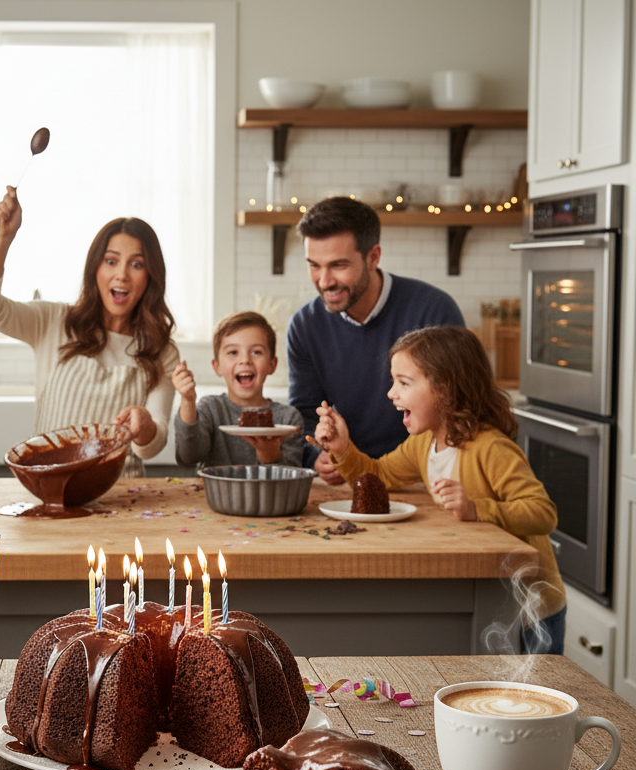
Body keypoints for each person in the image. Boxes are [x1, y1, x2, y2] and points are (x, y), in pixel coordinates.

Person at [313, 325, 566, 655]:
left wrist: (478, 509)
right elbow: (379, 475)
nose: (391, 393)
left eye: (403, 383)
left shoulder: (490, 448)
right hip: (491, 595)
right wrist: (343, 448)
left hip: (532, 606)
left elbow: (543, 513)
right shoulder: (423, 443)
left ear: (446, 390)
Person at [0, 186, 179, 475]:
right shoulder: (53, 321)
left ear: (150, 276)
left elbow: (151, 447)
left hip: (121, 500)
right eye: (111, 261)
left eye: (136, 264)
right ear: (95, 269)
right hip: (50, 490)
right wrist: (3, 238)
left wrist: (145, 425)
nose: (122, 274)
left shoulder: (161, 350)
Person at [287, 196, 465, 484]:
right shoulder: (304, 325)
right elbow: (305, 413)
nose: (324, 281)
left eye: (338, 265)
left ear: (373, 257)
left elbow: (458, 408)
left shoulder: (434, 311)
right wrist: (317, 454)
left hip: (425, 481)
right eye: (314, 266)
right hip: (346, 479)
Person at [173, 311, 304, 469]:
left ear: (272, 365)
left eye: (256, 352)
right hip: (216, 494)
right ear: (217, 367)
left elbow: (292, 477)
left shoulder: (288, 419)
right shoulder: (211, 409)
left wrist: (269, 454)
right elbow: (189, 457)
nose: (245, 360)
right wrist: (187, 400)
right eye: (233, 352)